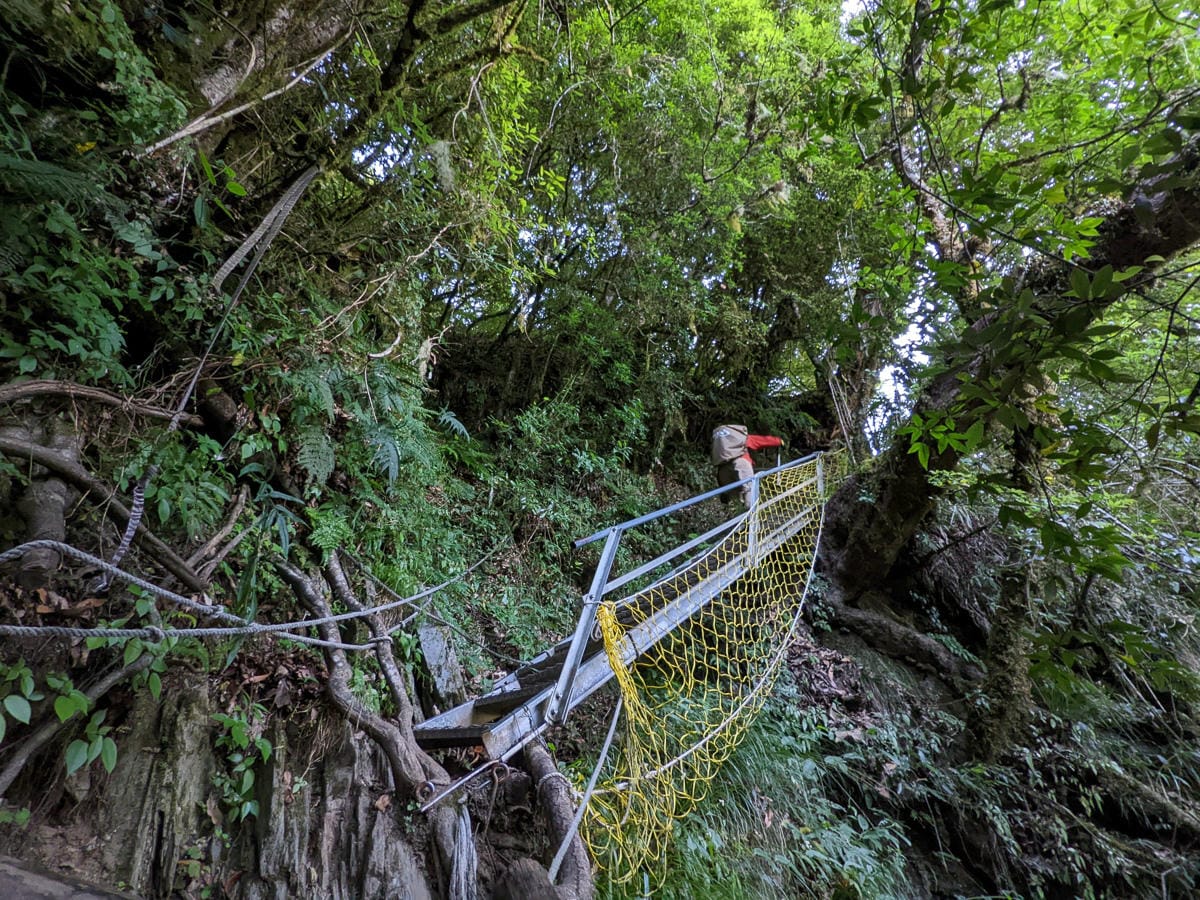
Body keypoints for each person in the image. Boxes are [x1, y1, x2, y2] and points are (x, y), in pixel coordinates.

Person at [710, 424, 783, 507]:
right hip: (741, 464)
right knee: (749, 491)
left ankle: (734, 515)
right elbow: (761, 441)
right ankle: (751, 515)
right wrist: (778, 441)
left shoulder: (720, 442)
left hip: (723, 468)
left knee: (732, 497)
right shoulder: (740, 438)